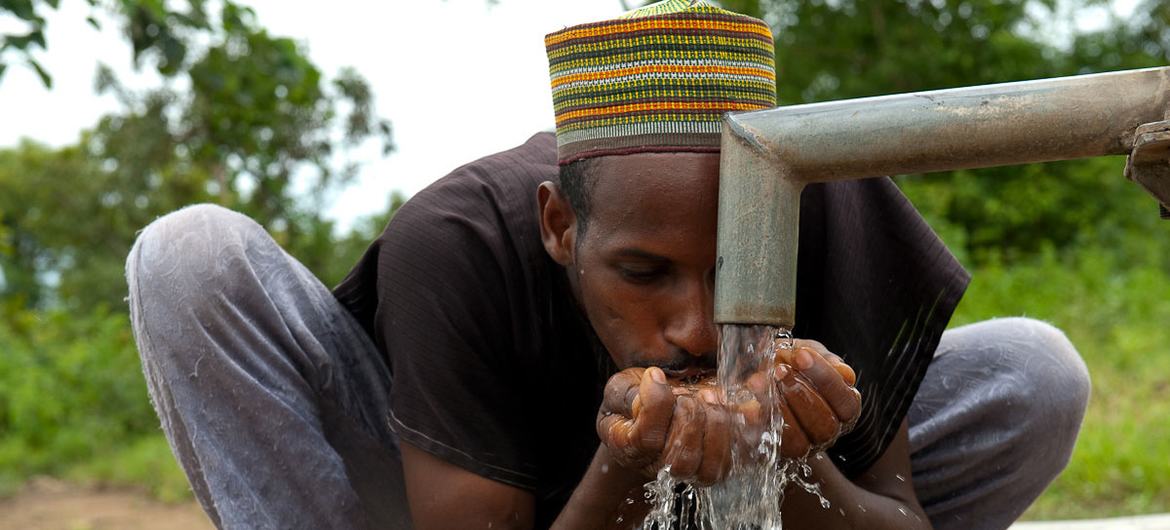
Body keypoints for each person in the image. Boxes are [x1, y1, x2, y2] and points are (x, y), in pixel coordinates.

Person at [125, 1, 1091, 528]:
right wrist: (629, 465)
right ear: (558, 227)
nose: (700, 330)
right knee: (188, 255)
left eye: (734, 265)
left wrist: (792, 468)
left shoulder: (837, 207)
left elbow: (898, 516)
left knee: (1036, 372)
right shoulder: (459, 240)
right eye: (644, 273)